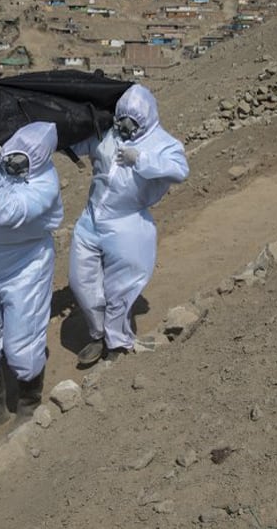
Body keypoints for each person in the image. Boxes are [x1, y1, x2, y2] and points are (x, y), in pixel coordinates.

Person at [68, 84, 189, 366]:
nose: (125, 126)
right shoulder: (107, 132)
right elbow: (79, 142)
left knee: (121, 286)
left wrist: (142, 159)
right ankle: (98, 333)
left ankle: (118, 341)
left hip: (127, 222)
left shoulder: (162, 143)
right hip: (90, 219)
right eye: (122, 119)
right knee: (80, 281)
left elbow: (180, 170)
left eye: (132, 122)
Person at [0, 122, 63, 437]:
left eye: (22, 161)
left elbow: (5, 211)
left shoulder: (44, 185)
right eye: (11, 156)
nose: (12, 164)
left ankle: (29, 405)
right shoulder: (0, 167)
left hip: (25, 270)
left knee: (21, 344)